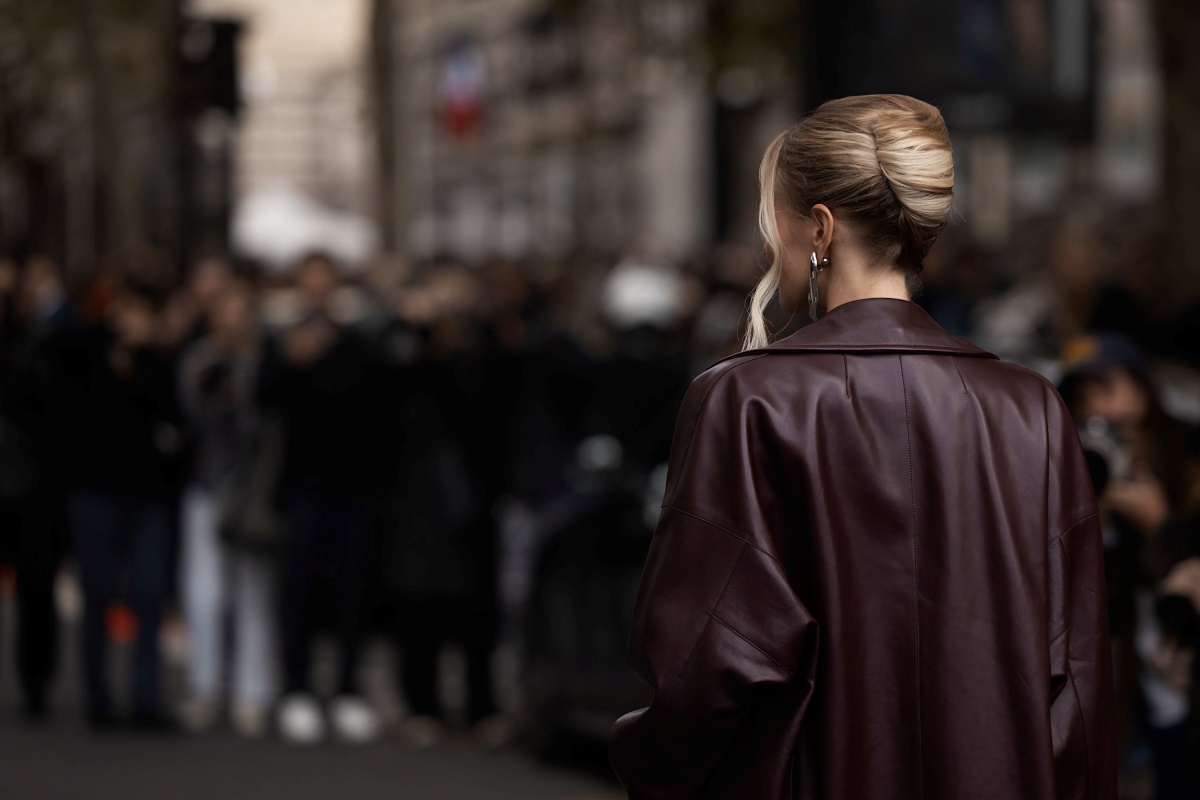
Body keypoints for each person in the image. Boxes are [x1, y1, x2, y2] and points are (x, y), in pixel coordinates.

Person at [610, 95, 1117, 799]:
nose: (768, 246)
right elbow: (1078, 681)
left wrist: (646, 764)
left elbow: (706, 666)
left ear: (820, 229)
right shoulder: (1033, 409)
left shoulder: (749, 399)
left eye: (775, 222)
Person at [176, 277, 277, 737]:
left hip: (252, 492)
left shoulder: (264, 362)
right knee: (204, 591)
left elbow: (270, 423)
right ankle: (204, 685)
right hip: (206, 485)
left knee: (253, 593)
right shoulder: (197, 359)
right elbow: (188, 415)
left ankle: (252, 692)